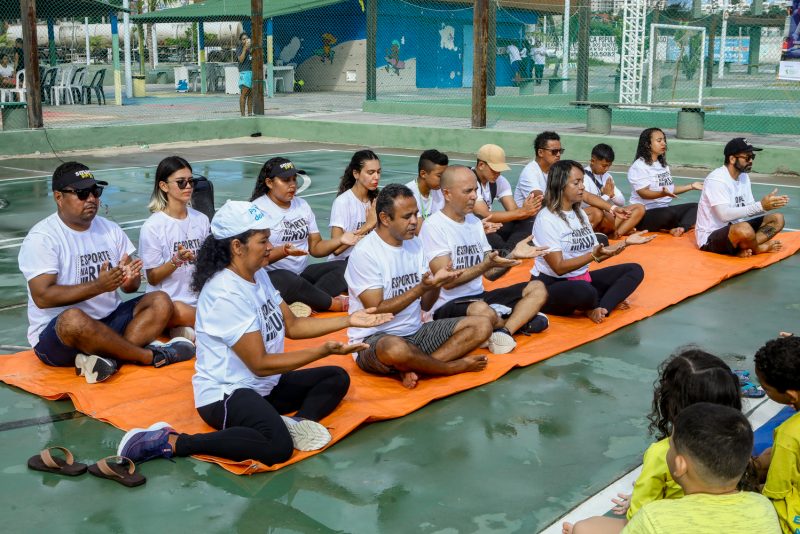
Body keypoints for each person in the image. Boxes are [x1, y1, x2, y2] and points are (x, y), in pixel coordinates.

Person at [116, 200, 392, 466]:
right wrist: (323, 350)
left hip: (265, 387)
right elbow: (259, 364)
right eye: (263, 241)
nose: (269, 247)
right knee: (277, 447)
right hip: (227, 395)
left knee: (336, 377)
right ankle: (175, 441)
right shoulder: (225, 292)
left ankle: (297, 424)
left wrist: (349, 320)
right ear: (237, 246)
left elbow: (293, 326)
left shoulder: (257, 275)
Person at [18, 162, 194, 384]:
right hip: (59, 335)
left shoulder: (109, 229)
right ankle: (149, 356)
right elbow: (42, 297)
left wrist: (128, 279)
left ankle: (110, 360)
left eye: (95, 191)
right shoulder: (43, 238)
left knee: (160, 300)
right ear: (58, 197)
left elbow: (129, 286)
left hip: (107, 322)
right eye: (82, 193)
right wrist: (99, 286)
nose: (91, 198)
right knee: (73, 319)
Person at [564, 348, 743, 534]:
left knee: (584, 528)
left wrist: (637, 499)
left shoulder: (663, 453)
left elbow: (636, 519)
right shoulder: (737, 442)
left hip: (671, 526)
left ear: (670, 405)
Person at [346, 184, 492, 389]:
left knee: (482, 325)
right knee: (396, 349)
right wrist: (421, 288)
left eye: (416, 214)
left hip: (415, 333)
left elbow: (425, 305)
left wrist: (436, 284)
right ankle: (448, 367)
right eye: (407, 217)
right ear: (385, 218)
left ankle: (415, 369)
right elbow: (376, 309)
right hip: (375, 339)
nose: (415, 221)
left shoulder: (415, 244)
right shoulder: (365, 253)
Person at [420, 165, 550, 355]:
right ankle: (515, 322)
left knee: (537, 287)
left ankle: (503, 331)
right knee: (483, 311)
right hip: (447, 306)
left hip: (479, 297)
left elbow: (490, 274)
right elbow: (447, 282)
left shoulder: (473, 223)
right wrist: (486, 264)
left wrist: (512, 255)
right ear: (447, 193)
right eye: (468, 191)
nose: (474, 196)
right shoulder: (434, 226)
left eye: (475, 190)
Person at [620, 403, 780, 533]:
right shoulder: (763, 506)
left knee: (594, 525)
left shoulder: (653, 518)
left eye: (670, 445)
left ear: (680, 465)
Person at [531, 160, 651, 324]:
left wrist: (626, 243)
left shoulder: (579, 213)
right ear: (560, 185)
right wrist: (592, 256)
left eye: (582, 182)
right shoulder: (546, 218)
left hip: (582, 279)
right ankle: (597, 303)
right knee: (584, 291)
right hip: (552, 286)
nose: (582, 187)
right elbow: (558, 268)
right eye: (576, 182)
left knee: (634, 270)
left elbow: (598, 254)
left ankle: (601, 308)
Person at [250, 157, 356, 315]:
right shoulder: (257, 210)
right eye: (286, 180)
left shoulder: (302, 206)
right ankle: (330, 303)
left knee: (347, 266)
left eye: (294, 179)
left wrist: (340, 240)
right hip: (274, 279)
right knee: (287, 278)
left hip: (301, 276)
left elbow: (316, 248)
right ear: (269, 183)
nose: (292, 185)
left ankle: (307, 302)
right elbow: (255, 259)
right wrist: (284, 251)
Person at [139, 156, 210, 342]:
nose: (188, 186)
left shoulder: (201, 219)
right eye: (181, 182)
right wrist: (176, 261)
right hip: (172, 304)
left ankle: (185, 329)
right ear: (164, 186)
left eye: (191, 181)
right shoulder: (153, 226)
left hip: (200, 300)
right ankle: (195, 325)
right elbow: (152, 277)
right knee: (174, 310)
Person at [696, 138, 787, 257]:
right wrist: (760, 206)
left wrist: (765, 207)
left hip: (737, 228)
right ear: (732, 159)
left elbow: (749, 208)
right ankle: (758, 249)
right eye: (747, 157)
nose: (751, 161)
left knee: (778, 219)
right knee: (744, 229)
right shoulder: (717, 180)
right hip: (710, 238)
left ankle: (745, 248)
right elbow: (724, 216)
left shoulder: (744, 177)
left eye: (752, 157)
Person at [753, 336, 800, 534]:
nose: (766, 392)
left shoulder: (789, 435)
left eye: (766, 389)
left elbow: (777, 491)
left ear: (791, 395)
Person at [628, 128, 703, 237]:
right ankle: (673, 227)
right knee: (668, 214)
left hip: (664, 208)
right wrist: (662, 194)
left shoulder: (662, 165)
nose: (663, 143)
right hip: (645, 214)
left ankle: (680, 228)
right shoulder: (639, 166)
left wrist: (691, 186)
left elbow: (670, 190)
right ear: (648, 144)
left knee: (696, 207)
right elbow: (643, 193)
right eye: (659, 141)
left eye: (664, 140)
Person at [471, 144, 541, 253]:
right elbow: (484, 214)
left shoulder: (500, 180)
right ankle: (509, 251)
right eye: (494, 170)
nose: (498, 174)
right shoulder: (469, 180)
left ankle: (507, 251)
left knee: (529, 220)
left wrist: (526, 212)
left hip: (491, 225)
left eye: (500, 170)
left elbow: (513, 211)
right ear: (481, 165)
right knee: (486, 228)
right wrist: (521, 212)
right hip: (473, 226)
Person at [328, 150, 380, 262]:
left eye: (378, 172)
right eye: (371, 172)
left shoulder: (377, 201)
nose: (376, 177)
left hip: (367, 261)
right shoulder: (342, 202)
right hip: (342, 264)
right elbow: (336, 250)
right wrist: (367, 226)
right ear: (356, 173)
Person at [514, 131, 563, 207]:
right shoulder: (530, 171)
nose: (558, 154)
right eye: (554, 151)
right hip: (530, 218)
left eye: (560, 151)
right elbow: (540, 199)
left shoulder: (556, 170)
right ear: (540, 152)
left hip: (547, 214)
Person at [406, 149, 448, 234]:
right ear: (423, 174)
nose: (444, 180)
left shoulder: (440, 190)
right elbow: (420, 232)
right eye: (439, 176)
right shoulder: (407, 194)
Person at [237, 32, 253, 116]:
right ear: (241, 41)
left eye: (246, 38)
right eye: (243, 39)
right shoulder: (240, 48)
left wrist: (250, 49)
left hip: (252, 72)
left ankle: (250, 113)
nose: (245, 40)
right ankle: (243, 115)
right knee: (244, 94)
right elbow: (241, 60)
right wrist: (244, 49)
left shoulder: (251, 48)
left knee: (251, 94)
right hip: (245, 72)